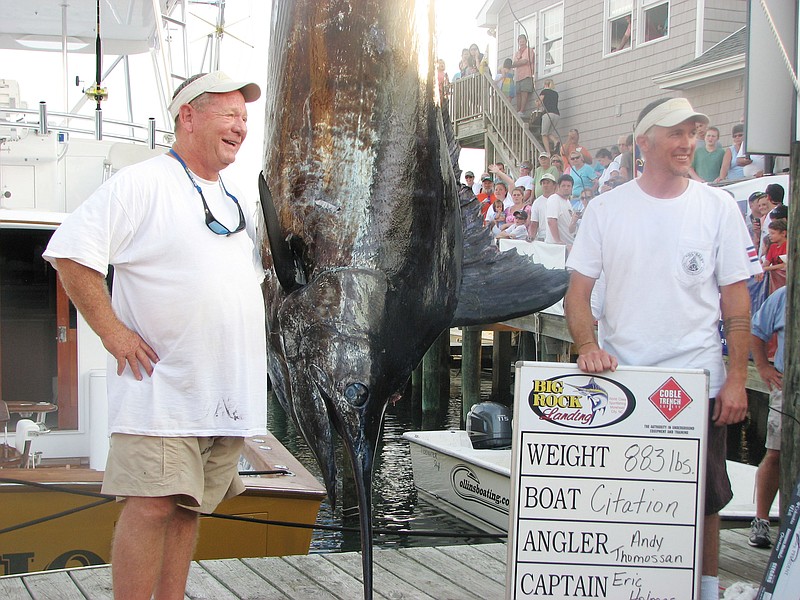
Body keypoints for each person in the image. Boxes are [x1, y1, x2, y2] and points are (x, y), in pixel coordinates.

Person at [41, 71, 267, 599]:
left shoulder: (234, 202)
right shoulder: (142, 183)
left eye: (244, 118)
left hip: (221, 395)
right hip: (162, 388)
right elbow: (71, 253)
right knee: (151, 505)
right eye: (229, 115)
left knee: (187, 508)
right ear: (188, 116)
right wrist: (114, 334)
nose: (241, 127)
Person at [564, 97, 761, 600]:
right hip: (622, 381)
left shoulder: (718, 207)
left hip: (697, 381)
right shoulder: (606, 208)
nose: (688, 143)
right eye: (677, 133)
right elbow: (578, 294)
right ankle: (624, 586)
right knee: (621, 495)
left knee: (707, 499)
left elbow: (737, 302)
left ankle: (708, 589)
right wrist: (587, 346)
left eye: (693, 132)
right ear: (644, 141)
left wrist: (736, 379)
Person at [749, 285, 787, 549]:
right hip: (789, 386)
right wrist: (762, 366)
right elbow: (757, 329)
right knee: (775, 454)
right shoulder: (785, 294)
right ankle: (761, 520)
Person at [545, 174, 578, 249]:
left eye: (568, 186)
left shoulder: (567, 202)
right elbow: (551, 221)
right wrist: (558, 241)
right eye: (563, 186)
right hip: (557, 247)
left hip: (569, 245)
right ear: (558, 186)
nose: (566, 188)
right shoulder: (554, 199)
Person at [762, 218, 787, 295]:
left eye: (772, 233)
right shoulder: (773, 246)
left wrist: (767, 268)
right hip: (775, 282)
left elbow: (785, 264)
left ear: (783, 233)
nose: (770, 236)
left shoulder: (788, 245)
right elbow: (767, 262)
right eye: (769, 233)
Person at [511, 34, 534, 117]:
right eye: (520, 41)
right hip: (517, 76)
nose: (522, 43)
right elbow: (513, 64)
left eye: (523, 41)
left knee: (524, 92)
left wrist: (517, 63)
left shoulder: (529, 50)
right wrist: (518, 63)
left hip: (526, 74)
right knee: (518, 93)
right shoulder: (517, 53)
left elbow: (525, 61)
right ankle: (518, 111)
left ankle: (522, 111)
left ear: (526, 41)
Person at [529, 172, 557, 241]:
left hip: (557, 236)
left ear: (554, 185)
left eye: (548, 183)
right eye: (543, 183)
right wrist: (531, 236)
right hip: (542, 237)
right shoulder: (537, 202)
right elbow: (534, 223)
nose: (545, 185)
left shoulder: (559, 200)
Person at [538, 79, 560, 155]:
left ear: (545, 84)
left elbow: (539, 102)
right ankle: (555, 141)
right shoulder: (556, 93)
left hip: (547, 114)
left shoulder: (544, 91)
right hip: (556, 114)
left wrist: (537, 103)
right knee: (549, 132)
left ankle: (548, 152)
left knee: (544, 134)